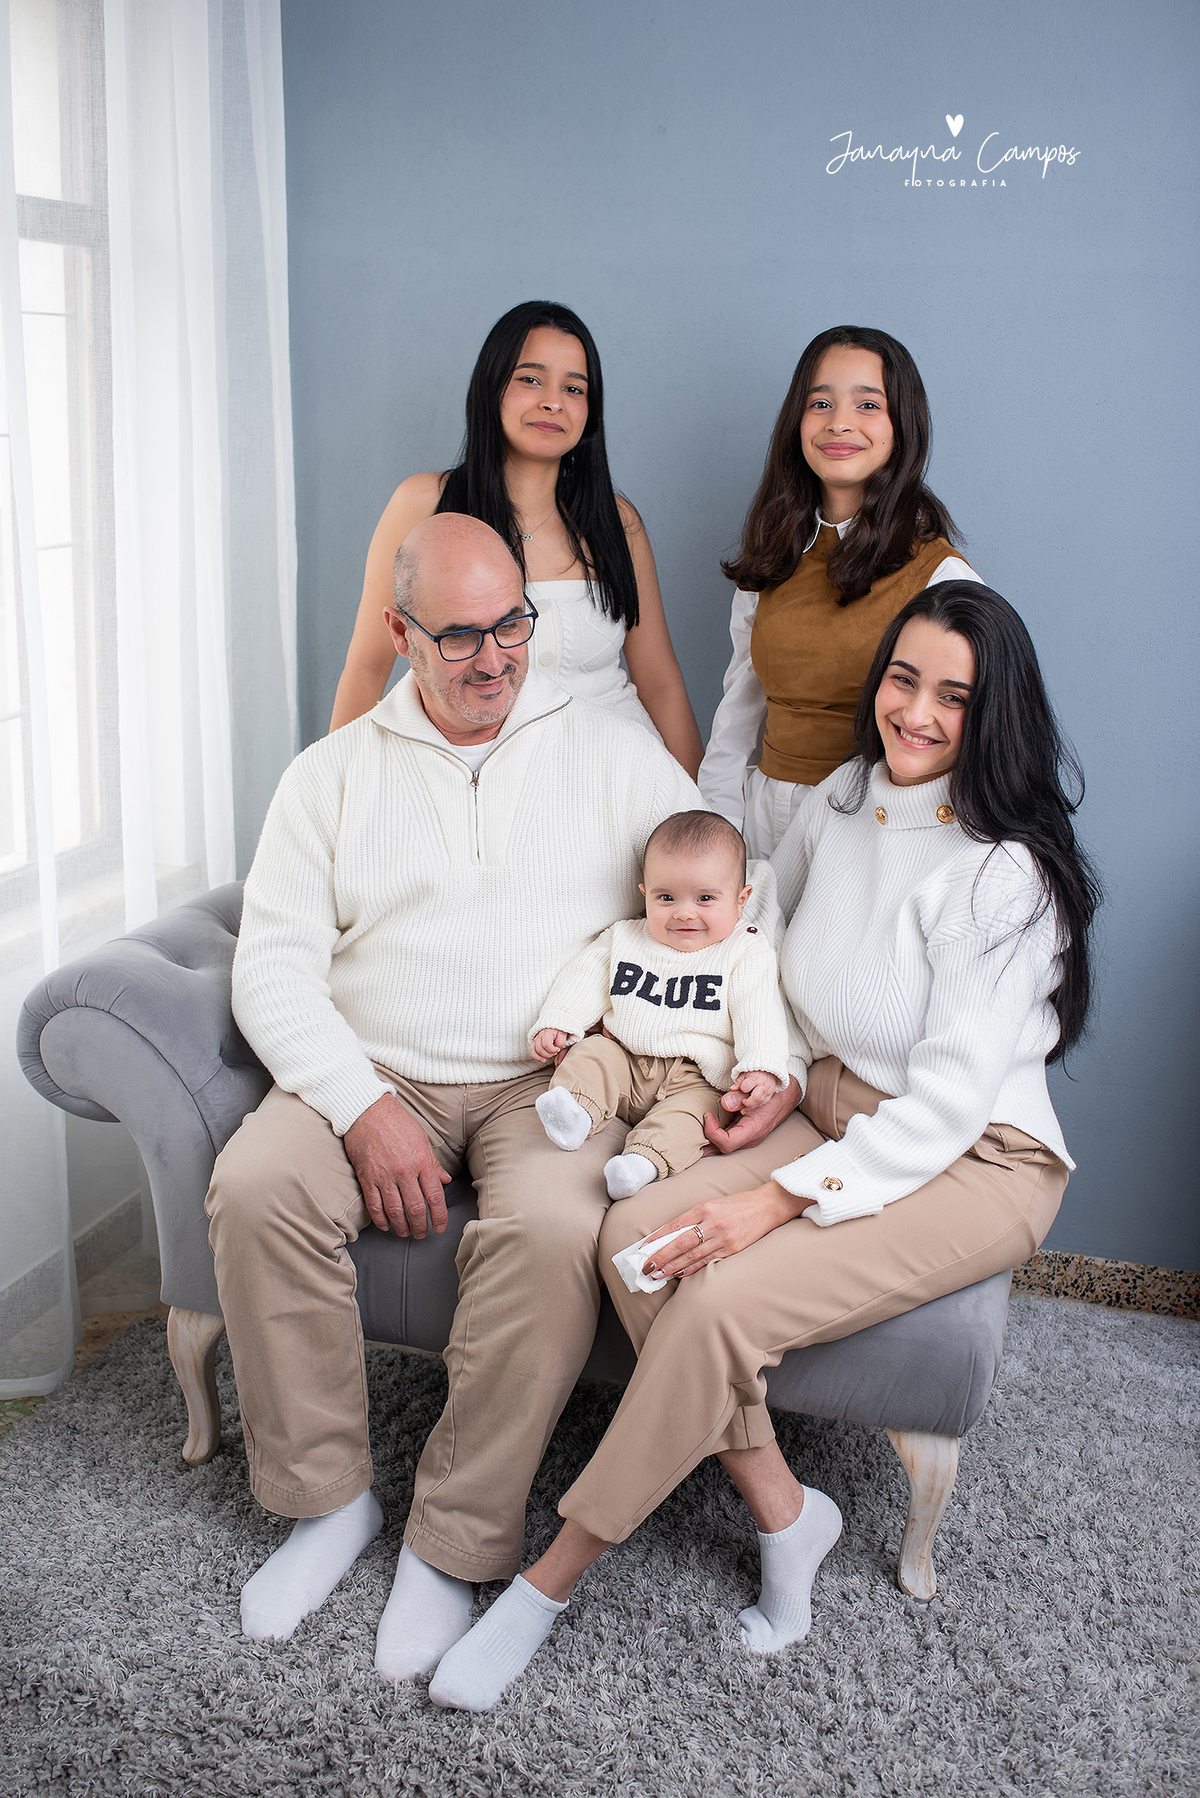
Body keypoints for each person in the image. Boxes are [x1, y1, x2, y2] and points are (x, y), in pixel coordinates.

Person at [426, 581, 1101, 1713]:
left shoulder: (1002, 875)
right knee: (637, 1235)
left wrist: (777, 1198)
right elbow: (767, 931)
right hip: (827, 1103)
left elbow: (943, 1106)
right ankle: (789, 1514)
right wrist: (774, 1073)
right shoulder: (846, 796)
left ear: (997, 714)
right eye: (903, 679)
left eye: (954, 696)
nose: (917, 713)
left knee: (717, 1302)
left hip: (973, 1155)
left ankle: (548, 1581)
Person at [205, 513, 702, 1675]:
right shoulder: (329, 775)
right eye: (461, 635)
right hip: (375, 1063)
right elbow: (270, 967)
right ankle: (330, 1503)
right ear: (401, 633)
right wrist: (357, 1105)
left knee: (554, 1229)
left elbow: (726, 883)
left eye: (513, 625)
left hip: (553, 1078)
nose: (495, 659)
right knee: (257, 1183)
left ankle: (452, 1540)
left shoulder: (613, 752)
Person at [329, 300, 704, 776]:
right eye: (530, 379)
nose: (553, 402)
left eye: (574, 388)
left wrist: (700, 804)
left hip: (622, 777)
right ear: (492, 387)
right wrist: (335, 791)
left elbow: (660, 683)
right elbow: (367, 667)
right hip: (477, 784)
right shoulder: (424, 503)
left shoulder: (617, 520)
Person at [699, 326, 980, 856]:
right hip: (761, 820)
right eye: (820, 403)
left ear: (903, 425)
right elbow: (737, 713)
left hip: (868, 829)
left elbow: (964, 730)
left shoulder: (941, 577)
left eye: (868, 404)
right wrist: (717, 831)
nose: (839, 423)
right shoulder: (773, 557)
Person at [530, 811, 792, 1200]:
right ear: (645, 893)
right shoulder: (625, 938)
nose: (684, 912)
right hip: (624, 1057)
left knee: (697, 1117)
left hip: (697, 1078)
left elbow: (761, 1015)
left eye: (705, 898)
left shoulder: (746, 952)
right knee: (590, 1054)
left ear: (741, 901)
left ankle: (641, 1162)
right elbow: (584, 977)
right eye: (666, 897)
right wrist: (559, 1021)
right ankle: (575, 1111)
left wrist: (761, 1068)